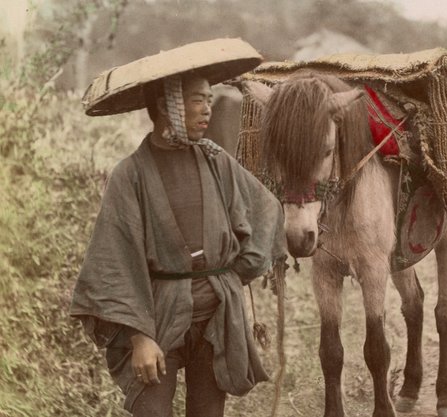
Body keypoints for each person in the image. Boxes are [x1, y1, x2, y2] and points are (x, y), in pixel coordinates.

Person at [70, 40, 286, 417]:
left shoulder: (217, 162)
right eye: (197, 100)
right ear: (167, 105)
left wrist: (236, 275)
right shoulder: (131, 175)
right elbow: (113, 261)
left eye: (209, 98)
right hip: (156, 319)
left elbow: (267, 209)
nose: (208, 109)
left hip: (215, 317)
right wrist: (139, 337)